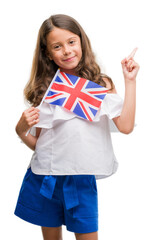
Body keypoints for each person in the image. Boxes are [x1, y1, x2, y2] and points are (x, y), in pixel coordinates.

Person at [14, 14, 139, 240]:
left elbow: (126, 126)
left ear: (82, 41)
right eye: (57, 46)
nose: (67, 50)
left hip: (81, 178)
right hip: (47, 176)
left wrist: (129, 81)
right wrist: (20, 130)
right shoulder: (47, 90)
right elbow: (40, 146)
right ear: (48, 53)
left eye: (72, 42)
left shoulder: (100, 85)